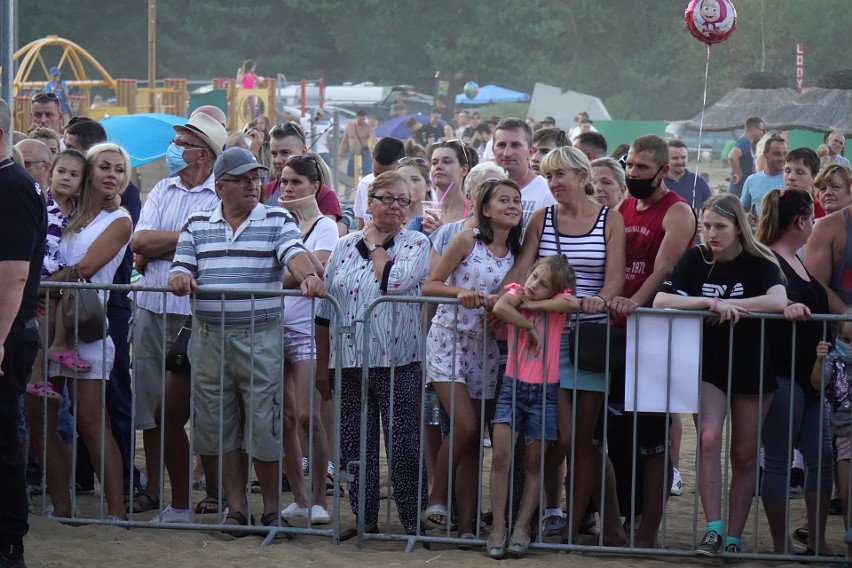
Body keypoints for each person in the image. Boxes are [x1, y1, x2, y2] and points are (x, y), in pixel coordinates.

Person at [168, 147, 326, 533]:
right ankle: (237, 508)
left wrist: (308, 275)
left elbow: (295, 253)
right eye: (241, 179)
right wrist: (179, 279)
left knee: (266, 422)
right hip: (208, 337)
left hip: (260, 336)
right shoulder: (195, 223)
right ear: (220, 187)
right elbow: (180, 267)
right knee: (216, 423)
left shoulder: (276, 218)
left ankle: (272, 508)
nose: (252, 184)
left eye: (255, 177)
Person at [500, 146, 626, 546]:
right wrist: (502, 296)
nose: (553, 183)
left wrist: (599, 302)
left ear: (581, 176)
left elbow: (614, 278)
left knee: (582, 440)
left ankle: (579, 525)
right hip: (545, 340)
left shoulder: (610, 218)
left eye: (560, 176)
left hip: (587, 338)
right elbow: (523, 268)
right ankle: (551, 518)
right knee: (557, 438)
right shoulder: (543, 217)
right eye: (549, 176)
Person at [654, 194, 787, 557]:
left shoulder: (759, 259)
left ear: (739, 227)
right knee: (709, 438)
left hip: (752, 364)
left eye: (720, 227)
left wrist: (735, 307)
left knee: (744, 455)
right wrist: (709, 303)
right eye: (707, 225)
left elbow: (778, 301)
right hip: (708, 364)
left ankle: (733, 536)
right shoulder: (696, 257)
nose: (711, 234)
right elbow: (662, 301)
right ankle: (712, 529)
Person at [314, 171, 430, 539]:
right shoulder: (343, 246)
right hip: (348, 360)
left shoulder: (416, 243)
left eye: (403, 201)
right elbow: (326, 309)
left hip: (400, 360)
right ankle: (364, 519)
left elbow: (394, 282)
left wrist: (377, 247)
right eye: (388, 198)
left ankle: (413, 521)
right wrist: (321, 366)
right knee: (353, 445)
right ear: (370, 202)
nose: (396, 207)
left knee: (404, 445)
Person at [128, 113, 228, 520]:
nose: (173, 148)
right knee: (152, 406)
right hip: (153, 308)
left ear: (201, 152)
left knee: (207, 408)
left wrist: (168, 246)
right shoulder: (162, 188)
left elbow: (215, 246)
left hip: (196, 316)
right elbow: (139, 241)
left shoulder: (219, 194)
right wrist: (189, 240)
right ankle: (155, 487)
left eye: (181, 141)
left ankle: (217, 493)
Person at [28, 143, 134, 523]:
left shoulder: (119, 220)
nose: (111, 175)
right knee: (41, 420)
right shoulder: (68, 212)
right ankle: (62, 506)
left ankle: (117, 511)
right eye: (104, 167)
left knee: (91, 422)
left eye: (119, 170)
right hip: (48, 324)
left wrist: (32, 286)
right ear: (89, 173)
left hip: (86, 328)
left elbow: (83, 270)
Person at [421, 179, 523, 543]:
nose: (512, 205)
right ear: (485, 207)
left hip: (487, 349)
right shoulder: (467, 240)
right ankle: (437, 498)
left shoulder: (518, 253)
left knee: (472, 439)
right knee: (464, 425)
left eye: (517, 200)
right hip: (448, 338)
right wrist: (459, 291)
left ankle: (466, 527)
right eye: (504, 200)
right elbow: (430, 285)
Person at [607, 135, 696, 548]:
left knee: (654, 441)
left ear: (663, 170)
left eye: (642, 168)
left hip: (658, 332)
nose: (632, 174)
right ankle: (620, 524)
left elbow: (665, 267)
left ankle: (647, 532)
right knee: (617, 435)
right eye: (630, 166)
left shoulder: (678, 210)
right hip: (618, 333)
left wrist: (631, 304)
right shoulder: (623, 207)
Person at [755, 189, 834, 556]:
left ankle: (815, 542)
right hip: (782, 373)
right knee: (778, 459)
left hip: (812, 376)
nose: (815, 223)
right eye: (811, 217)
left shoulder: (794, 259)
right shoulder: (767, 258)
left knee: (821, 457)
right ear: (800, 221)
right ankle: (780, 545)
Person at [488, 255, 580, 558]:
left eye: (542, 284)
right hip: (512, 387)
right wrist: (528, 326)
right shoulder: (515, 291)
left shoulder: (558, 302)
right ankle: (499, 525)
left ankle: (522, 526)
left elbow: (571, 305)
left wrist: (532, 307)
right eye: (534, 277)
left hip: (544, 391)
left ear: (554, 290)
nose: (534, 285)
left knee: (533, 462)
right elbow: (501, 306)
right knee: (501, 457)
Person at [275, 155, 338, 525]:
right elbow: (294, 272)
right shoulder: (279, 222)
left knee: (306, 414)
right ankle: (299, 496)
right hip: (274, 326)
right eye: (283, 182)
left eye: (295, 182)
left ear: (314, 186)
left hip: (306, 329)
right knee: (283, 418)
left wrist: (288, 270)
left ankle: (319, 498)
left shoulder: (326, 225)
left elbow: (313, 271)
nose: (287, 188)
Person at [0, 97, 47, 568]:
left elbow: (13, 275)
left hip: (7, 334)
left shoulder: (12, 187)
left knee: (2, 437)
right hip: (8, 330)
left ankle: (9, 541)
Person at [263, 122, 344, 233]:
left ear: (303, 152)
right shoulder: (265, 191)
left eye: (285, 153)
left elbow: (326, 237)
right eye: (274, 154)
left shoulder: (324, 195)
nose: (278, 160)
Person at [812, 318, 852, 529]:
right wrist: (819, 361)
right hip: (844, 434)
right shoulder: (834, 360)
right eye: (846, 339)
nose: (850, 345)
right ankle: (849, 550)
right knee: (846, 494)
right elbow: (817, 383)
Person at [492, 118, 557, 226]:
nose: (507, 153)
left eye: (515, 145)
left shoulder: (548, 193)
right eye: (501, 145)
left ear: (531, 152)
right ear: (493, 150)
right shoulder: (483, 189)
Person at [421, 139, 477, 235]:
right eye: (434, 163)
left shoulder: (474, 216)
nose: (438, 166)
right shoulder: (424, 215)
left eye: (446, 162)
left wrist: (441, 234)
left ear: (464, 170)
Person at [353, 137, 407, 229]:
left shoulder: (410, 190)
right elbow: (361, 226)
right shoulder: (364, 184)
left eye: (388, 175)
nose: (381, 180)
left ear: (401, 166)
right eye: (377, 174)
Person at [740, 135, 787, 217]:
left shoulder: (790, 180)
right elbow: (741, 209)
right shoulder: (752, 180)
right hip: (757, 228)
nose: (782, 158)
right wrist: (746, 215)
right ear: (765, 154)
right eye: (777, 154)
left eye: (784, 154)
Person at [666, 140, 712, 210]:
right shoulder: (657, 183)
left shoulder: (699, 183)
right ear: (665, 159)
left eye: (683, 157)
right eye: (675, 158)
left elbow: (710, 210)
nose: (680, 162)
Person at [727, 116, 765, 197]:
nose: (763, 133)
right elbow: (732, 156)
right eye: (762, 130)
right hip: (739, 191)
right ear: (754, 129)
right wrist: (739, 174)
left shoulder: (748, 144)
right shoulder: (743, 142)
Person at [339, 110, 377, 179]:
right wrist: (341, 153)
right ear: (357, 118)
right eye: (360, 119)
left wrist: (375, 153)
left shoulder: (368, 128)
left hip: (364, 154)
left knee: (366, 175)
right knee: (350, 175)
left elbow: (374, 141)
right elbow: (344, 141)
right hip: (353, 154)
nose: (362, 121)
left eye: (363, 119)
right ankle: (348, 189)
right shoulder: (350, 126)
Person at [399, 156, 432, 233]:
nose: (408, 185)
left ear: (428, 185)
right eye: (402, 180)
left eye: (414, 180)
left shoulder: (436, 219)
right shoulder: (389, 219)